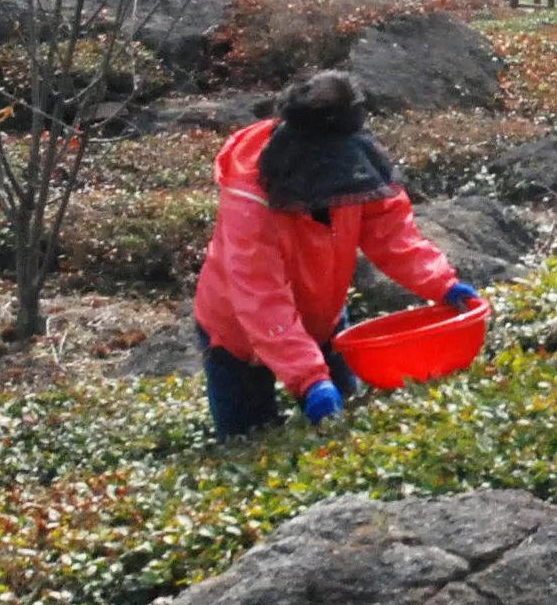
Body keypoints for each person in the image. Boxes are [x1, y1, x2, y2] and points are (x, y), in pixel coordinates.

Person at [192, 70, 475, 438]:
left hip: (322, 319)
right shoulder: (250, 202)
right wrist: (310, 379)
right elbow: (260, 298)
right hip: (236, 337)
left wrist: (443, 284)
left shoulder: (354, 169)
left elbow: (391, 234)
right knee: (248, 441)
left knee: (344, 432)